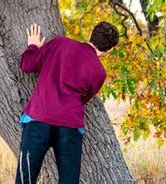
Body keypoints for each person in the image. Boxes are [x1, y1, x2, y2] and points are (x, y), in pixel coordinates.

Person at [15, 22, 119, 184]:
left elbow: (27, 65)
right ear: (110, 49)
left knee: (25, 179)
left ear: (92, 34)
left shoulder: (60, 43)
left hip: (39, 119)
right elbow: (83, 99)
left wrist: (33, 47)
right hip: (70, 127)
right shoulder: (100, 73)